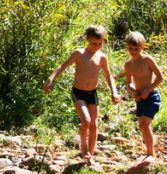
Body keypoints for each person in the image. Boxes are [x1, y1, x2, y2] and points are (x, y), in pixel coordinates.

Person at [44, 25, 120, 163]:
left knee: (94, 125)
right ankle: (83, 148)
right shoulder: (79, 53)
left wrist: (114, 92)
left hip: (92, 93)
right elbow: (63, 65)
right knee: (86, 120)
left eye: (99, 43)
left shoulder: (102, 57)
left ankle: (90, 155)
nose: (96, 46)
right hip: (78, 92)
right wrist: (51, 78)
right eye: (93, 43)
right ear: (87, 40)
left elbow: (109, 77)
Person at [122, 31, 164, 160]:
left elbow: (160, 77)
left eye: (136, 48)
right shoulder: (128, 64)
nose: (133, 51)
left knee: (145, 124)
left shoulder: (147, 60)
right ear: (127, 47)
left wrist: (148, 90)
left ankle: (151, 153)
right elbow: (129, 83)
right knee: (141, 125)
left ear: (142, 47)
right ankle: (148, 151)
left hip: (151, 96)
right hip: (140, 98)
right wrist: (133, 91)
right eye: (130, 48)